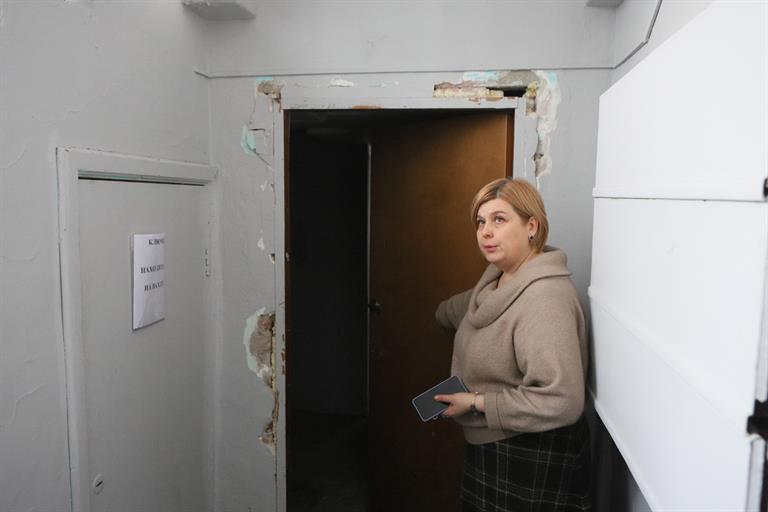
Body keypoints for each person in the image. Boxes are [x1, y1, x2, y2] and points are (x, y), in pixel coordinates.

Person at [433, 178, 592, 512]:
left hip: (530, 452)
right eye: (480, 222)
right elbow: (463, 309)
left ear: (531, 226)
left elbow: (562, 401)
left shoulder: (544, 299)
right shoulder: (497, 280)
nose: (485, 232)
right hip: (494, 444)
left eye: (499, 219)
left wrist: (476, 402)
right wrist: (442, 315)